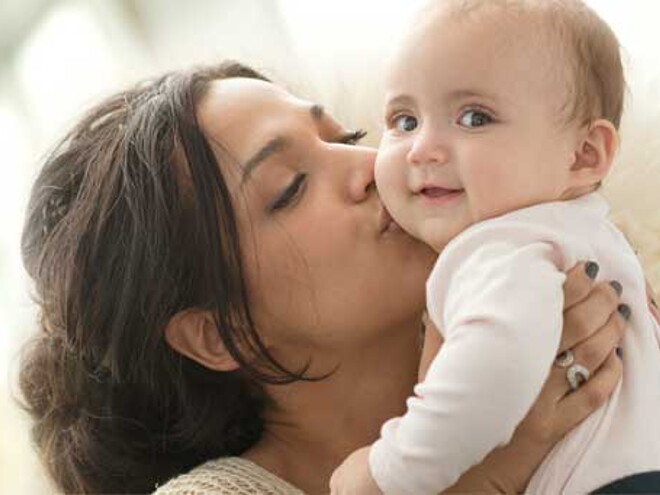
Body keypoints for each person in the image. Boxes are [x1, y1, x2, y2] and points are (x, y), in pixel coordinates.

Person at [18, 60, 637, 495]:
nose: (373, 168)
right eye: (289, 188)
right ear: (216, 332)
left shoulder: (557, 288)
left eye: (351, 137)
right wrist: (485, 479)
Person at [330, 1, 660, 494]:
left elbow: (495, 365)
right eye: (403, 121)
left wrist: (387, 473)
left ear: (583, 155)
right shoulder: (577, 232)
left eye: (474, 117)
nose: (421, 148)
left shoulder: (499, 243)